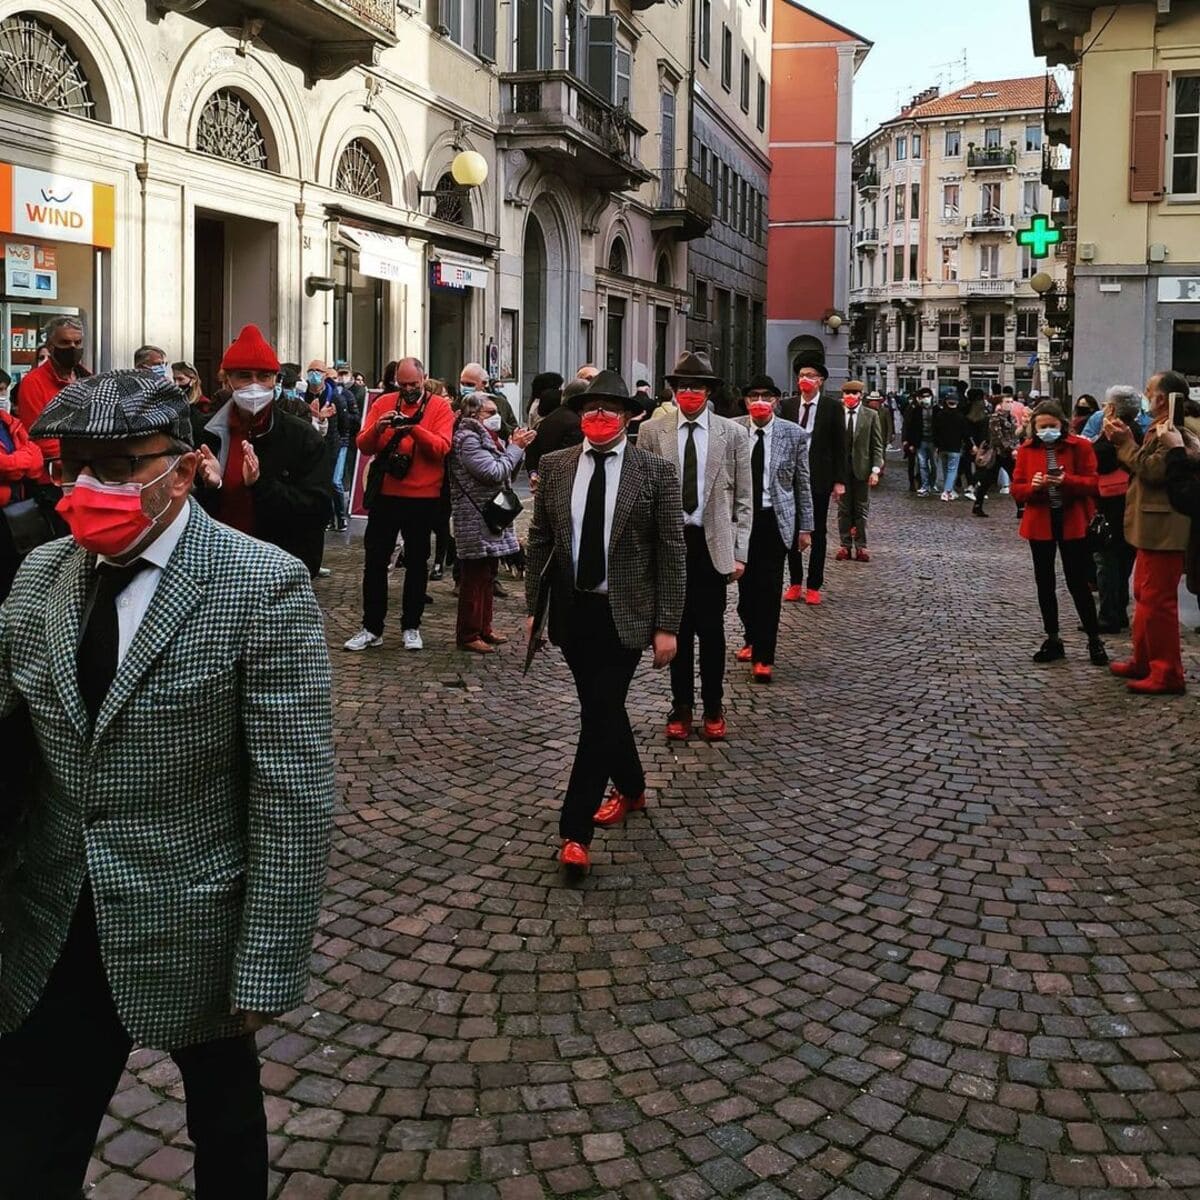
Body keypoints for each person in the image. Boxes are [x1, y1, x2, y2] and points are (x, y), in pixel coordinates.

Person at [2, 369, 333, 1198]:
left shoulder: (262, 585)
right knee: (30, 1152)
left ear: (183, 470)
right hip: (55, 913)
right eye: (73, 463)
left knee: (226, 1127)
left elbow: (293, 794)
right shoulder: (40, 571)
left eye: (115, 467)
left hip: (197, 918)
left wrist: (266, 964)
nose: (87, 487)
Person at [524, 370, 685, 873]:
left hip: (628, 612)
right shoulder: (555, 466)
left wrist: (668, 624)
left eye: (608, 411)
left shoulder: (655, 473)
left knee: (598, 714)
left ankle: (575, 832)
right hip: (573, 611)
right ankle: (633, 787)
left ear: (628, 417)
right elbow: (542, 541)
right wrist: (535, 608)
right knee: (603, 708)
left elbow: (672, 552)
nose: (597, 418)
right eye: (590, 410)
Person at [635, 352, 751, 742]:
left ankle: (714, 705)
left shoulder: (731, 434)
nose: (689, 393)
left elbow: (744, 500)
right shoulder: (655, 431)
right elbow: (643, 493)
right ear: (673, 391)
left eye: (696, 387)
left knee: (712, 631)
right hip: (671, 543)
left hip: (711, 544)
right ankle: (680, 706)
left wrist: (740, 551)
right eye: (682, 387)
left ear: (708, 391)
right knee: (675, 629)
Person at [190, 325, 330, 578]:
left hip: (277, 568)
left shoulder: (301, 437)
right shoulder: (205, 432)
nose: (255, 385)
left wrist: (260, 484)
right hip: (218, 566)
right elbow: (187, 510)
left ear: (275, 380)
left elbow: (317, 511)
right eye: (245, 376)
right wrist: (213, 486)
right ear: (228, 380)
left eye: (263, 376)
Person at [346, 356, 454, 653]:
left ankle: (411, 626)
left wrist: (413, 428)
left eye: (413, 385)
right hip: (386, 495)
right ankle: (372, 627)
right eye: (402, 384)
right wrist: (379, 428)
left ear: (424, 379)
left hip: (423, 497)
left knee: (417, 564)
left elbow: (442, 448)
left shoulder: (439, 407)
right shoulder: (384, 402)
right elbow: (363, 444)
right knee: (375, 562)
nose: (407, 390)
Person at [1105, 369, 1200, 694]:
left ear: (1163, 398)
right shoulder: (1158, 427)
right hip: (1152, 525)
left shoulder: (1177, 429)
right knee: (1144, 597)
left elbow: (1155, 469)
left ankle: (1167, 671)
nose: (1145, 396)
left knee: (1158, 601)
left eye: (1149, 390)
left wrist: (1126, 444)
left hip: (1165, 527)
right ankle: (1144, 659)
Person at [1011, 400, 1107, 667]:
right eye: (1042, 427)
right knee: (1045, 583)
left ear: (1062, 425)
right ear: (1034, 428)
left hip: (1072, 521)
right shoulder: (1028, 449)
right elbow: (1017, 490)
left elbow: (1093, 483)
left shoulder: (1080, 447)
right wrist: (1033, 487)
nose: (1047, 431)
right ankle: (1053, 638)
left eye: (1052, 426)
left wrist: (1068, 481)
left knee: (1078, 582)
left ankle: (1094, 639)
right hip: (1040, 521)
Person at [733, 375, 813, 682]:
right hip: (741, 520)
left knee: (768, 589)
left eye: (766, 396)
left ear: (777, 400)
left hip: (774, 519)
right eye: (754, 396)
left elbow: (802, 483)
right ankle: (751, 637)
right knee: (745, 590)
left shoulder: (793, 434)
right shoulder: (733, 430)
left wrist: (805, 527)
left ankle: (764, 655)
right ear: (746, 401)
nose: (760, 401)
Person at [449, 392, 535, 652]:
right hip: (475, 517)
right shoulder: (468, 440)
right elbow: (493, 472)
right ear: (474, 414)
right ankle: (468, 633)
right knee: (474, 577)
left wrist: (517, 449)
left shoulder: (487, 437)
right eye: (489, 412)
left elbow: (505, 471)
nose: (495, 416)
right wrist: (515, 448)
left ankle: (484, 627)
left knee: (488, 574)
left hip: (490, 515)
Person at [779, 348, 845, 604]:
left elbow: (840, 445)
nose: (805, 379)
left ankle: (814, 585)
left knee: (816, 531)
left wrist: (839, 481)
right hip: (791, 477)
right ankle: (795, 582)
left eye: (810, 375)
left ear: (820, 380)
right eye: (802, 374)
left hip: (819, 477)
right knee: (792, 530)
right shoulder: (788, 405)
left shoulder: (831, 407)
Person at [1091, 386, 1143, 632]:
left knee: (1107, 561)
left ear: (1111, 408)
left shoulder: (1116, 431)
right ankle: (1118, 611)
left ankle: (1109, 614)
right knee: (1122, 561)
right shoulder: (1138, 429)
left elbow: (1101, 459)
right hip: (1128, 504)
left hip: (1113, 503)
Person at [16, 314, 88, 489]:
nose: (72, 347)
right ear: (50, 346)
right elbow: (37, 436)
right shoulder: (33, 382)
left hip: (86, 477)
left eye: (77, 343)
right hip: (50, 481)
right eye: (65, 342)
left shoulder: (87, 378)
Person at [0, 389, 44, 601]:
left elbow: (36, 462)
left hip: (18, 513)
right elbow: (5, 466)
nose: (2, 396)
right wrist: (21, 460)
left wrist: (18, 463)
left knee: (17, 575)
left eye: (2, 390)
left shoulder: (9, 422)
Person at [836, 381, 885, 562]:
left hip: (862, 470)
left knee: (861, 509)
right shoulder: (836, 413)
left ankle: (861, 546)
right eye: (847, 393)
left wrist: (875, 470)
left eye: (854, 393)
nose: (850, 397)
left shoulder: (870, 415)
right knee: (843, 510)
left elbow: (877, 445)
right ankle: (845, 545)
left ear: (860, 395)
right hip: (841, 471)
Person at [527, 379, 584, 488]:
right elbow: (570, 458)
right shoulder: (576, 423)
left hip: (545, 478)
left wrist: (533, 473)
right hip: (563, 483)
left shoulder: (550, 418)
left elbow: (533, 449)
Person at [972, 391, 1019, 518]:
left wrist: (1016, 447)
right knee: (987, 480)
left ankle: (1021, 508)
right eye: (1007, 402)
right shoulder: (994, 418)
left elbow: (1015, 435)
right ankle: (977, 505)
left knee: (1016, 479)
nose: (1010, 405)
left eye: (1011, 402)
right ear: (1000, 404)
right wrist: (1011, 448)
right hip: (997, 454)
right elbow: (997, 437)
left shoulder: (1012, 418)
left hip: (1008, 455)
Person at [460, 362, 516, 438]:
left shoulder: (499, 402)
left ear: (484, 384)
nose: (465, 387)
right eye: (462, 384)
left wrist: (498, 423)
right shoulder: (457, 403)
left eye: (470, 385)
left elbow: (513, 429)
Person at [933, 387, 970, 501]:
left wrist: (936, 445)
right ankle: (947, 491)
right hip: (955, 447)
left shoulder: (940, 415)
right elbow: (965, 433)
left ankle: (948, 489)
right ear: (957, 402)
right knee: (952, 470)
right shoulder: (961, 417)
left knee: (945, 469)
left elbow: (935, 431)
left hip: (942, 447)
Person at [906, 387, 938, 497]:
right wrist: (911, 443)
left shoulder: (937, 409)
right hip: (921, 441)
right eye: (924, 397)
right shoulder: (916, 410)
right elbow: (912, 427)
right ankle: (925, 486)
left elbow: (940, 427)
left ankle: (932, 484)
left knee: (934, 465)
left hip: (933, 441)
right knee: (922, 465)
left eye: (928, 396)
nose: (926, 399)